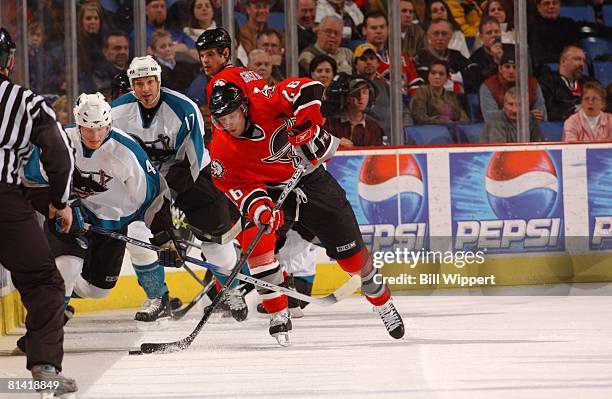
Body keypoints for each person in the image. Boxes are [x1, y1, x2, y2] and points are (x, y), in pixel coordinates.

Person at [207, 78, 405, 345]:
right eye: (222, 119)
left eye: (231, 116)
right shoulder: (221, 149)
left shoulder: (263, 100)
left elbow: (307, 88)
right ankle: (278, 313)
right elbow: (237, 185)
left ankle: (382, 303)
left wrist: (305, 122)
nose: (228, 124)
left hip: (311, 177)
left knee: (354, 261)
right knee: (256, 242)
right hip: (270, 190)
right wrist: (261, 209)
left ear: (243, 108)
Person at [111, 56, 248, 322]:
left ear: (158, 80)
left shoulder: (184, 109)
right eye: (138, 83)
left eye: (150, 81)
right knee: (137, 235)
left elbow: (191, 160)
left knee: (216, 238)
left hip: (192, 177)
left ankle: (231, 290)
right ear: (131, 85)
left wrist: (166, 203)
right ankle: (157, 296)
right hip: (143, 182)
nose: (145, 89)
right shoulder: (116, 113)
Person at [22, 93, 179, 324]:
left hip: (112, 223)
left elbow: (152, 197)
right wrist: (59, 206)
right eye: (88, 129)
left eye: (101, 128)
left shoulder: (125, 151)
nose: (95, 136)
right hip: (70, 216)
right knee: (68, 266)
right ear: (78, 125)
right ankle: (44, 328)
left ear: (109, 124)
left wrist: (165, 236)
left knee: (98, 290)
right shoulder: (59, 142)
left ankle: (54, 294)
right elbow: (33, 181)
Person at [0, 27, 77, 397]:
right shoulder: (25, 101)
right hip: (5, 206)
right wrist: (60, 201)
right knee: (44, 283)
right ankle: (45, 368)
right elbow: (59, 152)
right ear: (10, 62)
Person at [361, 11, 423, 97]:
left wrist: (413, 102)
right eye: (374, 28)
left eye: (382, 27)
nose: (379, 31)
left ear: (388, 29)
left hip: (405, 106)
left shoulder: (400, 55)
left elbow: (415, 83)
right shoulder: (361, 58)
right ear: (364, 30)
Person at [480, 47, 547, 123]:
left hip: (530, 130)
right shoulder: (488, 86)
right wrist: (526, 116)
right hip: (499, 132)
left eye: (515, 67)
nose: (511, 71)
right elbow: (491, 119)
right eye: (507, 67)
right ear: (500, 69)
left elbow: (542, 115)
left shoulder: (532, 83)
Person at [414, 19, 479, 94]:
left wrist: (454, 78)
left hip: (455, 99)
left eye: (444, 34)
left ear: (450, 36)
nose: (440, 38)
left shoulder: (456, 55)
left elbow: (474, 70)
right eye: (436, 33)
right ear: (428, 36)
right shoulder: (421, 56)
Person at [323, 75, 385, 147]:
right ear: (346, 96)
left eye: (364, 92)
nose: (361, 96)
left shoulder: (374, 127)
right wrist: (335, 144)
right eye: (356, 92)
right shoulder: (330, 124)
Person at [410, 60, 469, 124]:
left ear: (447, 78)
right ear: (428, 76)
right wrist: (444, 123)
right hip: (431, 131)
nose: (437, 77)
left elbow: (464, 118)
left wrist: (455, 125)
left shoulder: (452, 96)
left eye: (441, 74)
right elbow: (420, 118)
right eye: (433, 73)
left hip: (452, 131)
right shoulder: (422, 91)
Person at [539, 45, 589, 121]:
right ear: (563, 61)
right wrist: (573, 112)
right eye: (577, 59)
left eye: (583, 60)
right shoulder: (547, 82)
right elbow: (547, 112)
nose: (582, 64)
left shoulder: (590, 83)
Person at [469, 17, 514, 89]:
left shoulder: (513, 50)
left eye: (496, 31)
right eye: (489, 33)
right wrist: (495, 60)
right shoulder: (475, 58)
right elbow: (481, 83)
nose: (494, 35)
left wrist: (502, 59)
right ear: (481, 37)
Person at [92, 30, 131, 96]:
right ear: (105, 52)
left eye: (126, 48)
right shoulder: (99, 73)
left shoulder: (132, 69)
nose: (122, 52)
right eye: (117, 48)